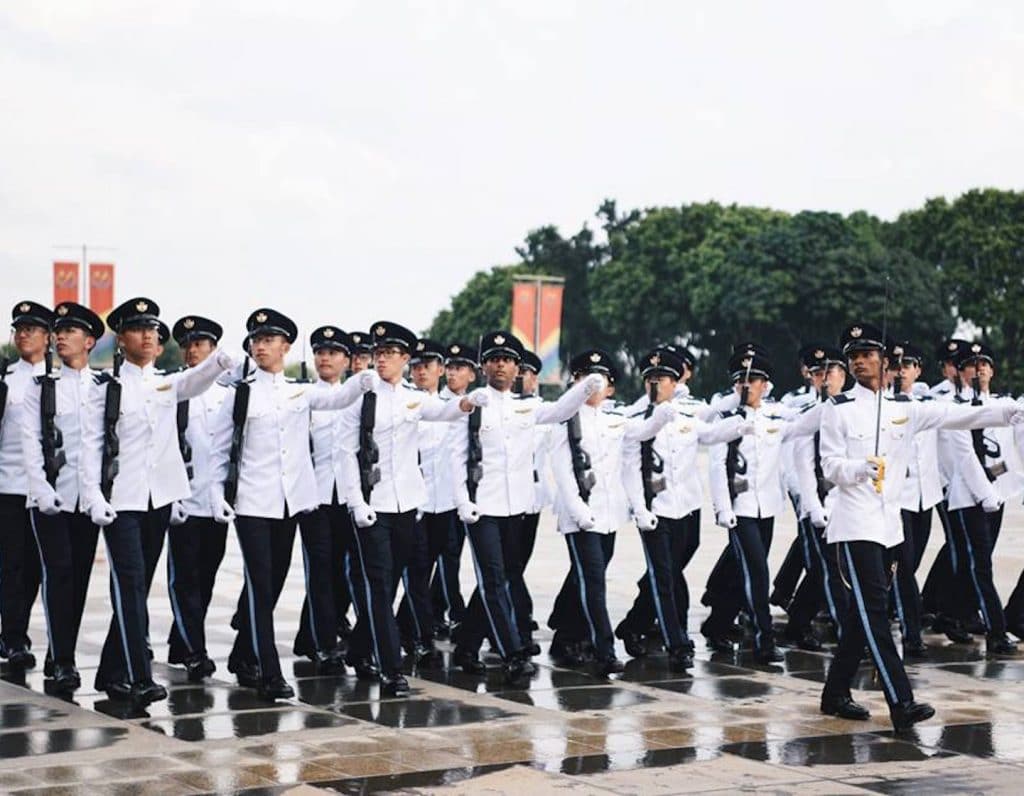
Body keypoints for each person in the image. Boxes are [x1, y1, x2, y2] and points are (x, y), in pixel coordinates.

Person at [818, 321, 1024, 731]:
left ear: (885, 361)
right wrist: (857, 468)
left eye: (868, 354)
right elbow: (829, 465)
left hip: (890, 528)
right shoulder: (836, 409)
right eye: (853, 356)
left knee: (863, 618)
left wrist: (1012, 410)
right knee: (875, 613)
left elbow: (960, 415)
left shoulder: (904, 410)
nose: (860, 362)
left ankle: (835, 692)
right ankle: (901, 701)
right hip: (854, 526)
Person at [211, 308, 372, 700]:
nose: (260, 346)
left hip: (290, 502)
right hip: (252, 501)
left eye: (269, 340)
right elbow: (218, 451)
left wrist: (369, 378)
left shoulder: (300, 392)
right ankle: (269, 672)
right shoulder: (241, 393)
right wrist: (217, 493)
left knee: (273, 584)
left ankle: (244, 656)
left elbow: (340, 398)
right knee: (261, 584)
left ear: (285, 347)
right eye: (256, 340)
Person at [82, 297, 235, 705]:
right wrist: (93, 495)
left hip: (158, 500)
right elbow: (90, 448)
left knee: (137, 587)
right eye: (138, 328)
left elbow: (196, 382)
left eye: (153, 329)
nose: (148, 335)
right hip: (121, 501)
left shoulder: (166, 383)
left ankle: (111, 674)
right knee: (129, 584)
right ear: (121, 339)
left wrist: (218, 363)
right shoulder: (106, 389)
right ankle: (138, 676)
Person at [336, 322, 485, 696]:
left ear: (405, 359)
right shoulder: (359, 396)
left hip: (407, 506)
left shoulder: (411, 398)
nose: (382, 359)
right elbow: (344, 455)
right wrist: (355, 502)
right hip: (373, 505)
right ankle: (391, 669)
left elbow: (444, 411)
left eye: (390, 353)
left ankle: (358, 650)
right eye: (378, 352)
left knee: (388, 585)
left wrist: (467, 403)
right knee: (379, 583)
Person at [450, 330, 606, 683]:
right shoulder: (474, 404)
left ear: (517, 367)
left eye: (506, 360)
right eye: (493, 359)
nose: (500, 365)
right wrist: (463, 502)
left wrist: (584, 388)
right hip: (482, 507)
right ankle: (513, 653)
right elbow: (456, 459)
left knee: (502, 577)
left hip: (517, 507)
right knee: (492, 580)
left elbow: (560, 411)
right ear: (484, 366)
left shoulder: (528, 407)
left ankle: (467, 643)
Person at [617, 347, 748, 668]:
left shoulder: (687, 416)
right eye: (652, 378)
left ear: (676, 383)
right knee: (664, 575)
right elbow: (630, 469)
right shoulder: (635, 418)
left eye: (664, 378)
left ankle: (634, 623)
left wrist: (743, 421)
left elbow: (711, 434)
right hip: (655, 510)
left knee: (673, 570)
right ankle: (678, 642)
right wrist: (639, 509)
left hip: (687, 506)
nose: (657, 383)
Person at [20, 302, 102, 690]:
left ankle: (59, 652)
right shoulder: (42, 388)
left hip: (86, 501)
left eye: (70, 331)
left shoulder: (104, 391)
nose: (61, 337)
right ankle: (64, 660)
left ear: (89, 341)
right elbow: (30, 443)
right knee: (59, 573)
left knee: (80, 576)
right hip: (50, 498)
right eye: (59, 331)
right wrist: (40, 489)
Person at [547, 350, 629, 674]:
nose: (593, 385)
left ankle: (567, 634)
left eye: (601, 379)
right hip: (579, 514)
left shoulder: (617, 419)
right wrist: (578, 510)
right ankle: (603, 649)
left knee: (585, 578)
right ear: (574, 382)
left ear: (611, 389)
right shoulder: (564, 419)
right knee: (593, 581)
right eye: (585, 377)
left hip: (610, 514)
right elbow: (561, 469)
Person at [938, 341, 1020, 654]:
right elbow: (963, 457)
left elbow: (1009, 450)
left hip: (997, 493)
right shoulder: (954, 409)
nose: (979, 369)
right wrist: (986, 494)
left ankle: (952, 614)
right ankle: (996, 631)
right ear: (959, 372)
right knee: (979, 565)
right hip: (969, 496)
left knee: (977, 563)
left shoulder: (1002, 405)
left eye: (984, 363)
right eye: (972, 364)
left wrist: (1005, 488)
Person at [164, 314, 230, 682]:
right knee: (184, 577)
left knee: (207, 575)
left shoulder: (230, 394)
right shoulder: (174, 389)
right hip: (183, 500)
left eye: (200, 344)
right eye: (187, 344)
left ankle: (181, 638)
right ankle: (194, 651)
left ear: (213, 349)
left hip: (216, 500)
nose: (192, 350)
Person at [292, 325, 355, 671]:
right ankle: (323, 642)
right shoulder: (302, 397)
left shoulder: (357, 397)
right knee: (319, 570)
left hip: (347, 496)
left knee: (342, 571)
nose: (325, 358)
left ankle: (310, 635)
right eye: (320, 352)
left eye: (332, 352)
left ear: (346, 360)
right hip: (314, 496)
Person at [0, 301, 49, 671]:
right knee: (12, 565)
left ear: (48, 337)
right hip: (9, 486)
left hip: (48, 491)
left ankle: (19, 634)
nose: (23, 335)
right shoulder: (5, 379)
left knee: (35, 569)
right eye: (19, 329)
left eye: (31, 329)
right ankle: (14, 638)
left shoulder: (61, 379)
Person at [430, 341, 477, 635]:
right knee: (446, 554)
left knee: (453, 553)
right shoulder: (436, 402)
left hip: (466, 492)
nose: (452, 373)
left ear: (472, 374)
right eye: (449, 367)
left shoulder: (476, 403)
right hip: (439, 492)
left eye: (459, 368)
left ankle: (437, 609)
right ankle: (454, 609)